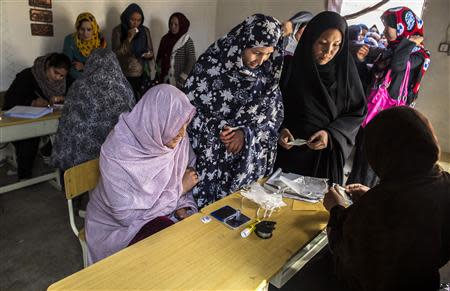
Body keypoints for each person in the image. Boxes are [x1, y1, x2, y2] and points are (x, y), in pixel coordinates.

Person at [323, 106, 450, 291]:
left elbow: (346, 253)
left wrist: (336, 209)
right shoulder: (443, 182)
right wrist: (373, 195)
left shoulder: (380, 208)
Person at [85, 84, 199, 265]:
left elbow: (184, 178)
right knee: (166, 256)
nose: (182, 133)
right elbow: (127, 217)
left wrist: (181, 207)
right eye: (176, 124)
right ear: (155, 119)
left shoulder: (176, 143)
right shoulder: (118, 152)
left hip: (161, 213)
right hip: (115, 227)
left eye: (185, 123)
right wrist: (178, 190)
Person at [184, 14, 284, 208]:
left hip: (244, 170)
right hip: (209, 165)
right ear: (242, 42)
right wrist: (221, 129)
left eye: (269, 53)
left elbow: (273, 121)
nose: (261, 60)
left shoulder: (268, 78)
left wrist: (245, 135)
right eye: (256, 52)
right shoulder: (211, 65)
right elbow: (187, 111)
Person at [275, 11, 366, 185]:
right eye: (322, 43)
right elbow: (274, 107)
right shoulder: (291, 69)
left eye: (336, 45)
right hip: (290, 155)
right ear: (310, 39)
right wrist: (281, 128)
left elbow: (356, 112)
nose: (328, 51)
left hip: (326, 158)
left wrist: (330, 134)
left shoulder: (346, 73)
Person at [347, 6, 431, 187]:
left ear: (403, 28)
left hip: (391, 119)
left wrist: (409, 44)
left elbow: (398, 66)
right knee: (362, 156)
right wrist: (363, 60)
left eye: (389, 26)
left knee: (376, 161)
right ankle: (351, 198)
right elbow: (373, 78)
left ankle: (366, 201)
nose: (385, 31)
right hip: (373, 112)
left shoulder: (419, 56)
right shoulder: (391, 50)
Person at [51, 48, 135, 172]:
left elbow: (68, 123)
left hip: (75, 164)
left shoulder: (79, 86)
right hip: (112, 163)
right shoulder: (125, 88)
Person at [2, 53, 70, 180]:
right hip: (24, 121)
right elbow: (10, 100)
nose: (59, 78)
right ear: (48, 65)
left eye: (62, 76)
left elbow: (74, 94)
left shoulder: (64, 80)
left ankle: (60, 169)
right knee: (30, 136)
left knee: (69, 129)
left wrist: (63, 99)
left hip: (50, 120)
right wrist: (32, 102)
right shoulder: (27, 76)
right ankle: (25, 177)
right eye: (56, 73)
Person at [112, 3, 154, 101]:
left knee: (142, 103)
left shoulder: (145, 31)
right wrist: (129, 38)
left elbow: (151, 51)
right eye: (132, 19)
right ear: (127, 17)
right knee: (128, 103)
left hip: (142, 74)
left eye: (138, 20)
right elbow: (116, 54)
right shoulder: (118, 31)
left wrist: (149, 55)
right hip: (124, 75)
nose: (135, 23)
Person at [63, 12, 107, 82]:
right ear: (77, 28)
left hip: (96, 80)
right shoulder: (70, 40)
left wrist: (84, 67)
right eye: (82, 29)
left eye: (89, 29)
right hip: (76, 79)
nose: (85, 33)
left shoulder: (101, 41)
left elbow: (102, 67)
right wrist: (85, 78)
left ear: (94, 29)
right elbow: (67, 65)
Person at [156, 12, 196, 89]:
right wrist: (159, 73)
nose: (172, 27)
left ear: (181, 25)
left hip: (180, 81)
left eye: (176, 24)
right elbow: (159, 58)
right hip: (165, 80)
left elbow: (192, 61)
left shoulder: (186, 40)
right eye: (171, 24)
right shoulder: (165, 39)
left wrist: (182, 78)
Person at [280, 11, 313, 91]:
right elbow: (308, 16)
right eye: (305, 29)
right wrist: (292, 22)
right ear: (300, 24)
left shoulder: (306, 47)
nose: (306, 34)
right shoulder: (283, 36)